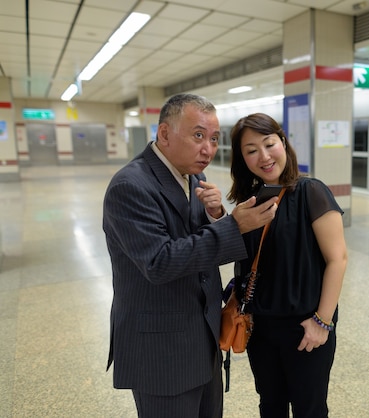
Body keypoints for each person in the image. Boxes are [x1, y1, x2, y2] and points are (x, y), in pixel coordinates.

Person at [102, 94, 278, 418]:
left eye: (213, 139)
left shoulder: (194, 178)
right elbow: (159, 262)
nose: (208, 149)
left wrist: (215, 215)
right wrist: (233, 228)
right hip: (162, 351)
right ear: (165, 134)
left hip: (203, 339)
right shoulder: (130, 186)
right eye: (198, 136)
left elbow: (196, 245)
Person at [227, 113, 348, 418]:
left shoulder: (312, 192)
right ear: (242, 159)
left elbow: (338, 259)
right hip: (260, 329)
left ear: (283, 143)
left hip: (305, 328)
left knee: (310, 409)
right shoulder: (249, 203)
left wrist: (322, 322)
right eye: (251, 150)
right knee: (270, 405)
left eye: (269, 144)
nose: (264, 156)